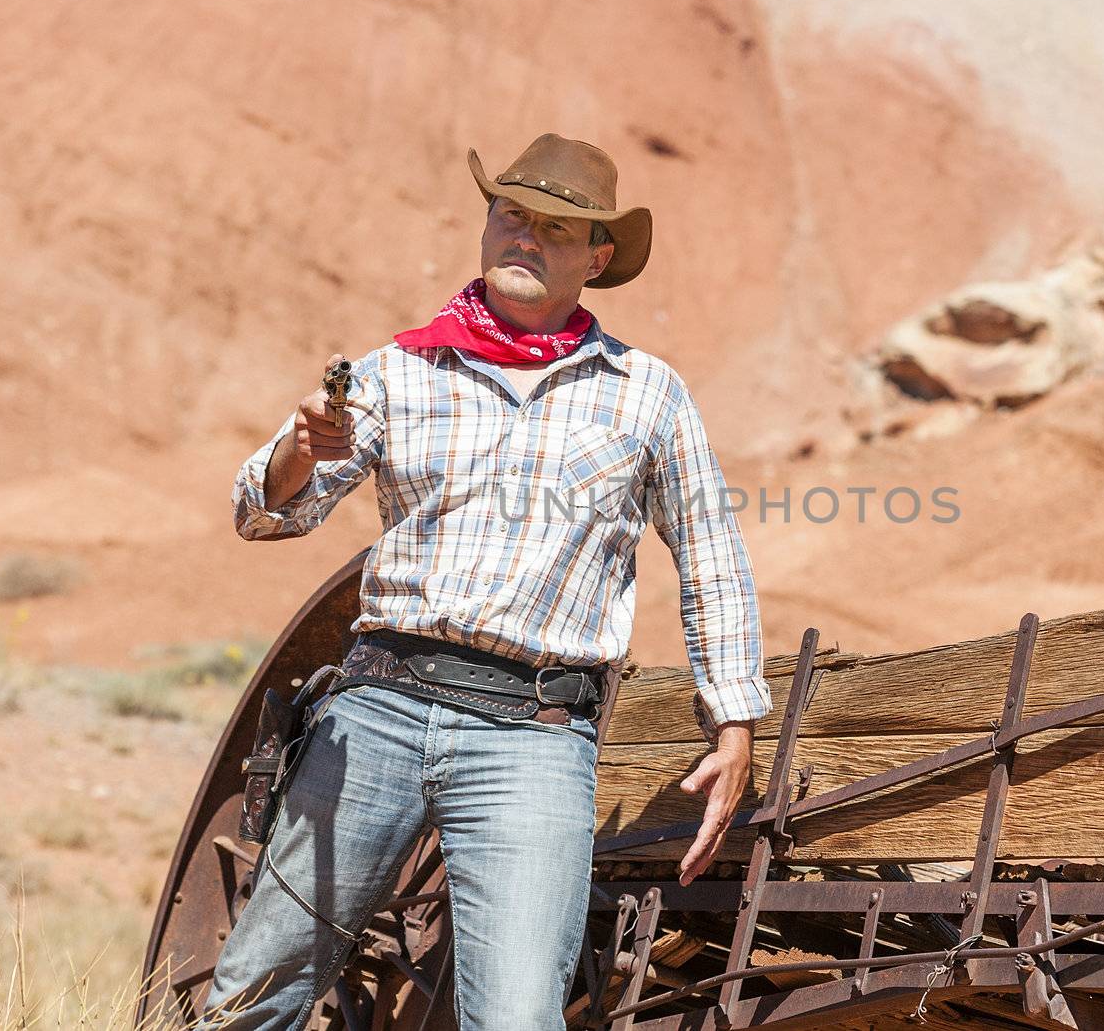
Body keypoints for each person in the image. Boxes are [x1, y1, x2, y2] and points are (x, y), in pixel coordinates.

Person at [198, 133, 770, 1030]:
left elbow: (711, 555)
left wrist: (731, 720)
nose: (526, 238)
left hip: (534, 738)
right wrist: (298, 453)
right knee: (254, 995)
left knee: (514, 1019)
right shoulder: (396, 373)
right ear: (486, 224)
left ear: (599, 255)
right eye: (512, 214)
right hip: (377, 710)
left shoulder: (646, 393)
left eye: (556, 227)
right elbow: (269, 513)